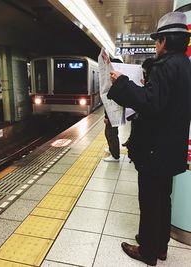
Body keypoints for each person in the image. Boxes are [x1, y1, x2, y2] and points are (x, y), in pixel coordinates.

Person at [107, 12, 191, 266]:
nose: (155, 46)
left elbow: (150, 104)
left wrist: (122, 83)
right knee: (162, 199)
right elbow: (164, 102)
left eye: (157, 41)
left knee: (150, 200)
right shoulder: (185, 65)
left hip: (156, 149)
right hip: (170, 147)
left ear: (164, 41)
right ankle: (160, 245)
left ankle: (147, 250)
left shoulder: (166, 66)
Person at [122, 57, 155, 147]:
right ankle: (131, 140)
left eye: (145, 71)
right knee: (134, 125)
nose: (144, 73)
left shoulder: (155, 81)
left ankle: (132, 142)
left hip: (146, 120)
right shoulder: (153, 79)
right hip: (141, 116)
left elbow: (147, 99)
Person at [103, 58, 123, 162]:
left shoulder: (117, 83)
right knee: (109, 133)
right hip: (111, 113)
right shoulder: (118, 82)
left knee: (111, 134)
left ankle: (115, 156)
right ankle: (112, 149)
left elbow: (112, 101)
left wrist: (107, 117)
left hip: (113, 114)